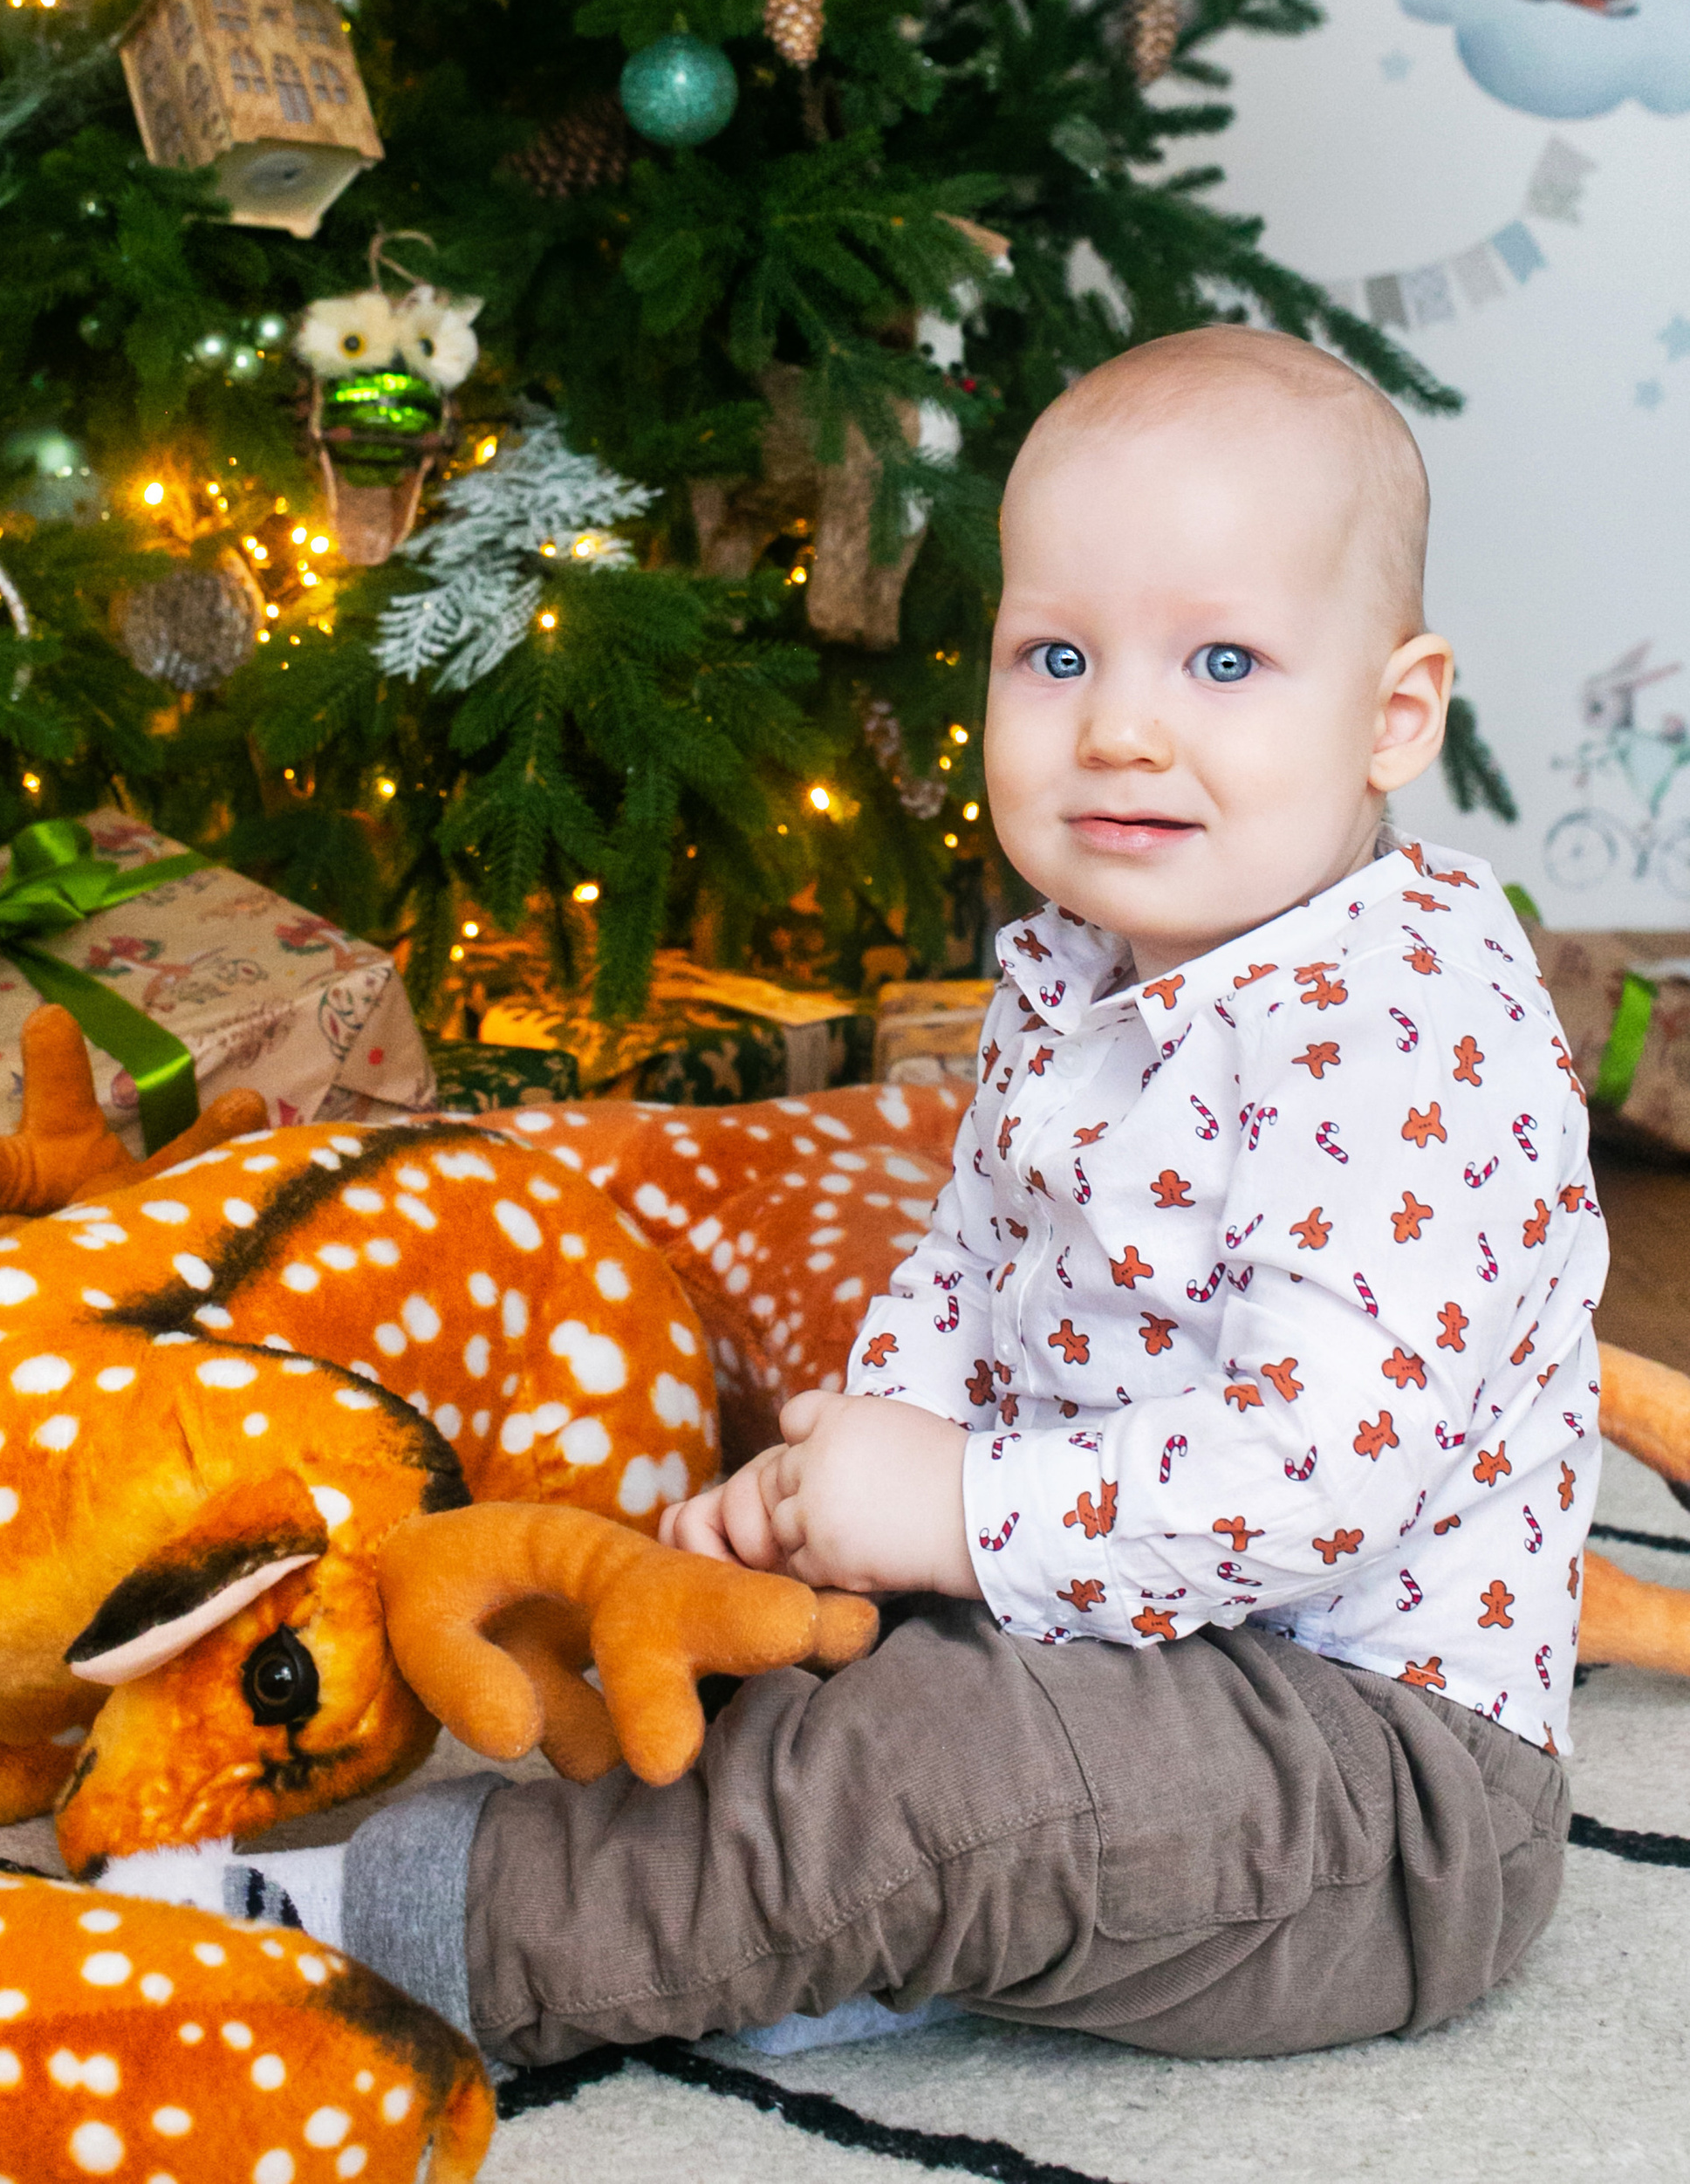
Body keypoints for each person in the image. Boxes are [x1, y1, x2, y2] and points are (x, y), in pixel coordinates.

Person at [140, 328, 1605, 2067]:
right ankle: (813, 1906)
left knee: (928, 1775)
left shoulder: (1398, 1028)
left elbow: (1320, 1476)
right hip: (1101, 1622)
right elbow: (973, 1257)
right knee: (801, 1653)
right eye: (1055, 653)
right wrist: (848, 1462)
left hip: (1367, 1780)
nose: (1121, 725)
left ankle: (400, 1946)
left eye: (1221, 659)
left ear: (1389, 714)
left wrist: (953, 1511)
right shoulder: (1083, 968)